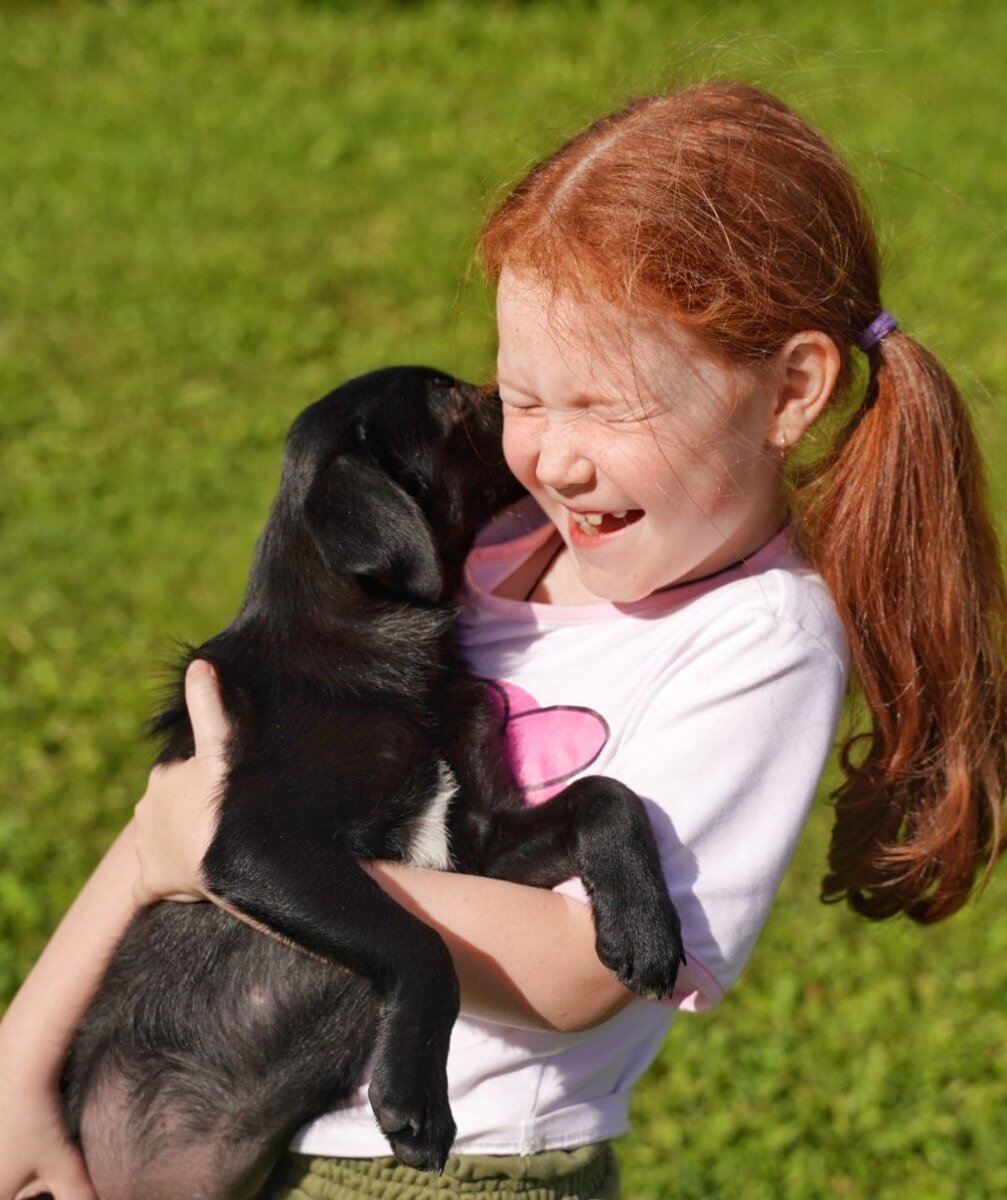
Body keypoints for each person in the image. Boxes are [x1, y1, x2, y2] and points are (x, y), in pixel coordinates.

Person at [3, 81, 1005, 1200]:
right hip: (201, 1138)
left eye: (609, 407)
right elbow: (178, 819)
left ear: (790, 390)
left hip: (446, 1173)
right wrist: (16, 1064)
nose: (554, 460)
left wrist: (259, 870)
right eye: (523, 397)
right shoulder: (468, 557)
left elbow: (583, 972)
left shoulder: (758, 644)